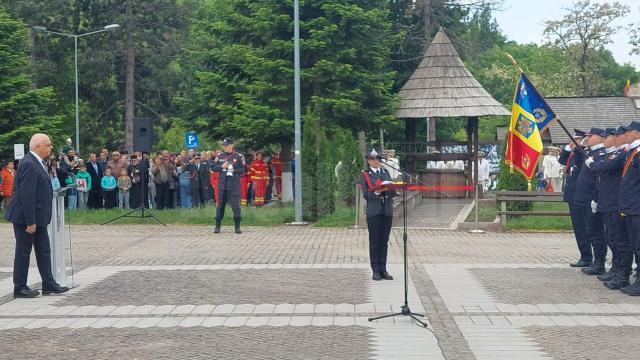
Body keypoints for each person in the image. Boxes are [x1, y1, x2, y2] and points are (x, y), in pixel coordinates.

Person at [4, 133, 69, 298]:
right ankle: (19, 287)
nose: (51, 147)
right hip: (26, 218)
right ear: (37, 146)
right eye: (48, 145)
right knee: (23, 251)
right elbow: (27, 195)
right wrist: (30, 222)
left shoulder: (38, 162)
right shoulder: (29, 164)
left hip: (38, 217)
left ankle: (48, 283)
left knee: (44, 250)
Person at [586, 126, 633, 290]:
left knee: (621, 242)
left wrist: (593, 163)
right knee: (613, 239)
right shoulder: (618, 154)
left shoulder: (623, 154)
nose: (606, 140)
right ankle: (616, 270)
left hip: (617, 203)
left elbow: (603, 167)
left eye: (610, 137)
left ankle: (622, 274)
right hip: (608, 202)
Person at [574, 128, 607, 276]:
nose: (589, 138)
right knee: (591, 231)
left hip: (592, 197)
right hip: (584, 198)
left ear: (600, 138)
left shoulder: (601, 154)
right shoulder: (590, 152)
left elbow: (599, 179)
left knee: (597, 232)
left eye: (591, 136)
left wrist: (596, 197)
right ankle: (597, 261)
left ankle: (599, 262)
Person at [359, 149, 395, 281]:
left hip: (386, 211)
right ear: (368, 161)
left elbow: (392, 190)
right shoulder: (365, 175)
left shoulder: (385, 172)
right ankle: (375, 270)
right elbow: (366, 195)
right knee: (375, 241)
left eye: (377, 159)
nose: (376, 162)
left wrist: (391, 190)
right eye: (373, 159)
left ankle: (383, 269)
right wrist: (376, 192)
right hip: (374, 212)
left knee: (384, 241)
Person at [560, 129, 588, 267]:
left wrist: (581, 146)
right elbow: (562, 160)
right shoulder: (574, 153)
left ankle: (588, 256)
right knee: (578, 228)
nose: (571, 141)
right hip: (572, 195)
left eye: (575, 139)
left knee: (583, 227)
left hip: (580, 195)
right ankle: (585, 255)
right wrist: (567, 148)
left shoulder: (582, 154)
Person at [212, 138, 246, 234]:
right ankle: (217, 226)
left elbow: (243, 170)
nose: (225, 147)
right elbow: (213, 168)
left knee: (236, 206)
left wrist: (233, 169)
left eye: (226, 145)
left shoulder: (239, 156)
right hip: (222, 185)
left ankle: (237, 227)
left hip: (234, 185)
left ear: (232, 145)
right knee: (220, 206)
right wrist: (221, 167)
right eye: (224, 145)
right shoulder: (219, 156)